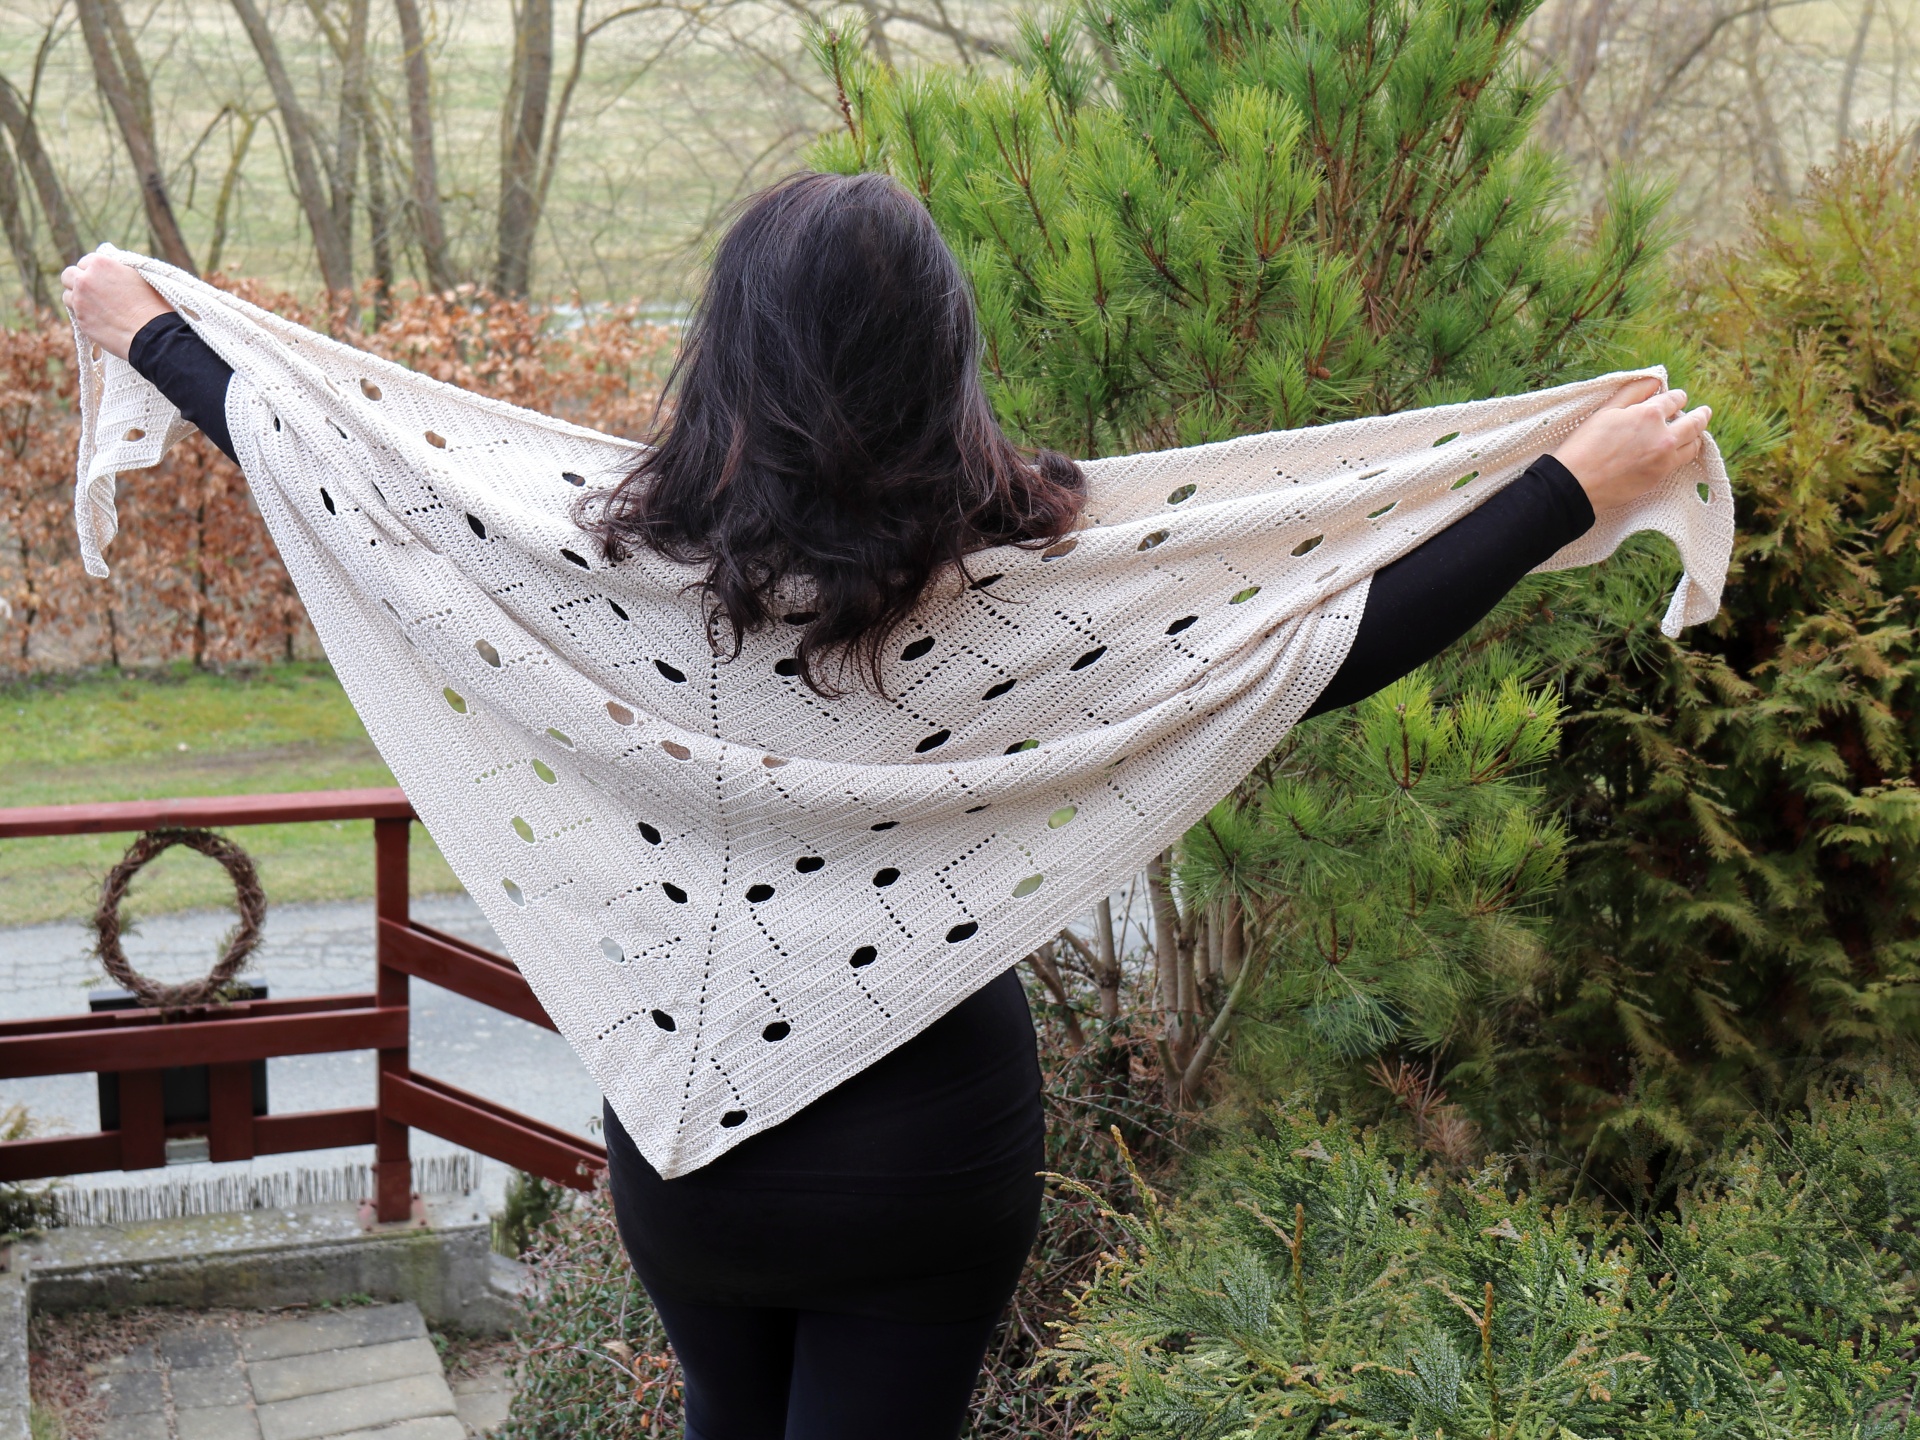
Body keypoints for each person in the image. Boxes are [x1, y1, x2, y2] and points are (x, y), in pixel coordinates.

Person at [63, 171, 1712, 1440]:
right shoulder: (1032, 582)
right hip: (926, 1151)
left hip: (683, 1155)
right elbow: (1311, 650)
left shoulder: (606, 553)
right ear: (945, 358)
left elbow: (354, 486)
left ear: (725, 350)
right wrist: (1566, 489)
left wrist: (153, 332)